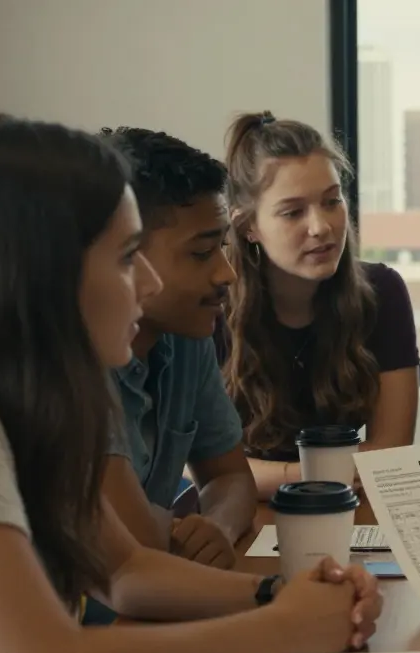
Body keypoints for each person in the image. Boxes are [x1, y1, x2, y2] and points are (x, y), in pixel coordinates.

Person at [0, 114, 381, 653]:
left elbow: (124, 571)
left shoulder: (28, 408)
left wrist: (282, 593)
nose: (148, 282)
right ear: (41, 271)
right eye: (129, 256)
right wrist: (289, 625)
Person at [217, 111, 420, 499]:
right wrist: (318, 475)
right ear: (248, 228)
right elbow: (200, 467)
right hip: (240, 515)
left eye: (332, 201)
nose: (321, 227)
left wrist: (274, 475)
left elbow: (390, 454)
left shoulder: (382, 291)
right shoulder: (212, 304)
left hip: (347, 511)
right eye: (293, 212)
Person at [96, 127, 257, 571]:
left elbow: (229, 476)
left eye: (222, 246)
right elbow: (138, 557)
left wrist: (216, 530)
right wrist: (277, 597)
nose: (228, 274)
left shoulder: (186, 335)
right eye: (202, 252)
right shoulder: (72, 364)